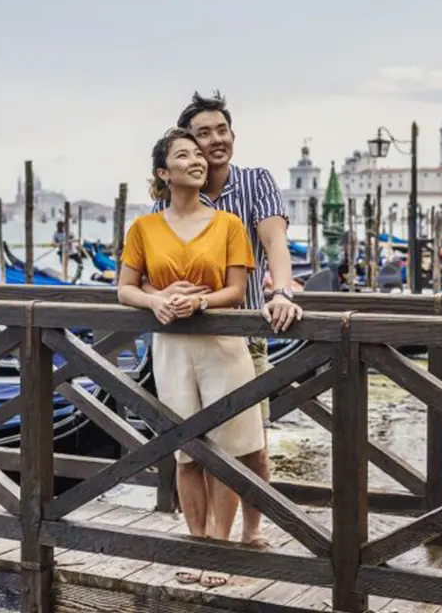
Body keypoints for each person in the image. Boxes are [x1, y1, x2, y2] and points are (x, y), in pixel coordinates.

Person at [145, 91, 302, 550]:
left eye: (221, 130)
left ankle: (251, 533)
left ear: (232, 134)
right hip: (183, 339)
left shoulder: (254, 182)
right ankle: (207, 540)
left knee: (250, 446)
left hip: (242, 333)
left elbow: (274, 241)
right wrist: (159, 298)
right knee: (190, 447)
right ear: (185, 144)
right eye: (202, 134)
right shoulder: (168, 201)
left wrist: (283, 291)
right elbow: (148, 272)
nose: (214, 141)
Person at [117, 128, 263, 588]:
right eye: (184, 155)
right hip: (172, 348)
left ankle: (218, 553)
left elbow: (236, 291)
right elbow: (124, 288)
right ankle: (196, 544)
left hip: (222, 345)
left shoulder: (228, 225)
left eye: (199, 155)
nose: (198, 160)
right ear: (164, 172)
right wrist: (156, 301)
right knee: (186, 454)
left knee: (226, 452)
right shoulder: (143, 228)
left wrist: (199, 303)